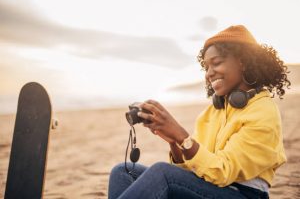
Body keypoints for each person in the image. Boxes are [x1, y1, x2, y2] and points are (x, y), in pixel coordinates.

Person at [108, 25, 291, 199]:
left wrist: (182, 136)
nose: (209, 73)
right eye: (206, 67)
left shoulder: (263, 110)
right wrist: (173, 142)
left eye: (216, 63)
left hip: (243, 194)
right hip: (209, 186)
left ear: (243, 62)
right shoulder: (211, 112)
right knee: (122, 172)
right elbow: (190, 171)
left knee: (162, 173)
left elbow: (221, 171)